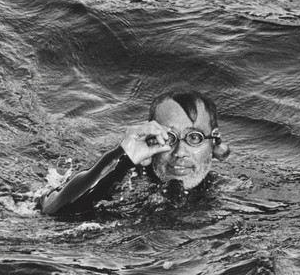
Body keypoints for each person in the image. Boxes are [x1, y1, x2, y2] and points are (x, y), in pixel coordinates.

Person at [40, 89, 229, 217]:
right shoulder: (124, 184)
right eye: (169, 138)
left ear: (215, 144)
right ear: (152, 137)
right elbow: (53, 211)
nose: (179, 152)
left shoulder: (230, 191)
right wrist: (123, 155)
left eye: (194, 138)